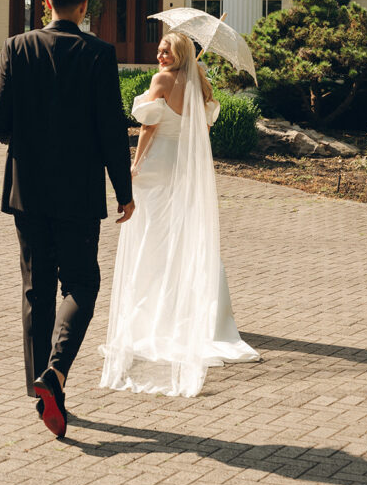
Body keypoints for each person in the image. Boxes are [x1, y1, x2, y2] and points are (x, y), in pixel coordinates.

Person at [0, 0, 134, 438]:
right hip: (78, 191)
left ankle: (41, 389)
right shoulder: (98, 53)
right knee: (82, 284)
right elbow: (111, 128)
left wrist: (8, 124)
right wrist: (124, 192)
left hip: (27, 190)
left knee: (36, 287)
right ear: (85, 5)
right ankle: (56, 371)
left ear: (45, 1)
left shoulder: (17, 47)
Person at [100, 31, 258, 398]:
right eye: (158, 50)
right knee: (183, 235)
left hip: (158, 166)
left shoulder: (161, 81)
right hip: (185, 169)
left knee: (151, 236)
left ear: (179, 52)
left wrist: (134, 166)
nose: (160, 56)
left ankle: (151, 312)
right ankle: (195, 312)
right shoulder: (199, 83)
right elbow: (201, 129)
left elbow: (147, 127)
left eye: (166, 50)